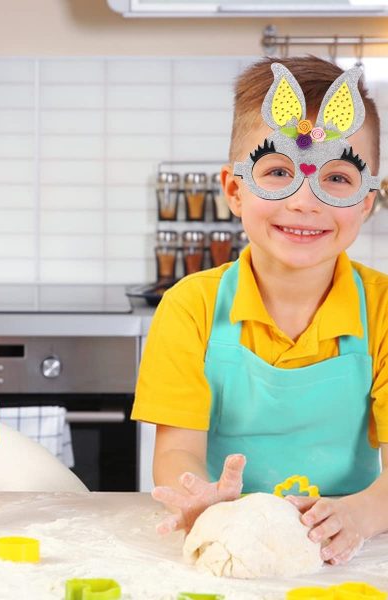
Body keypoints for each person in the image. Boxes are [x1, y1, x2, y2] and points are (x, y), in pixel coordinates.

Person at [132, 56, 388, 566]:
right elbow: (177, 449)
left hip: (351, 548)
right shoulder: (192, 307)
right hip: (226, 542)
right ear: (233, 189)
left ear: (367, 202)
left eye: (337, 178)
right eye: (277, 172)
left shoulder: (382, 309)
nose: (304, 202)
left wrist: (359, 515)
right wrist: (202, 500)